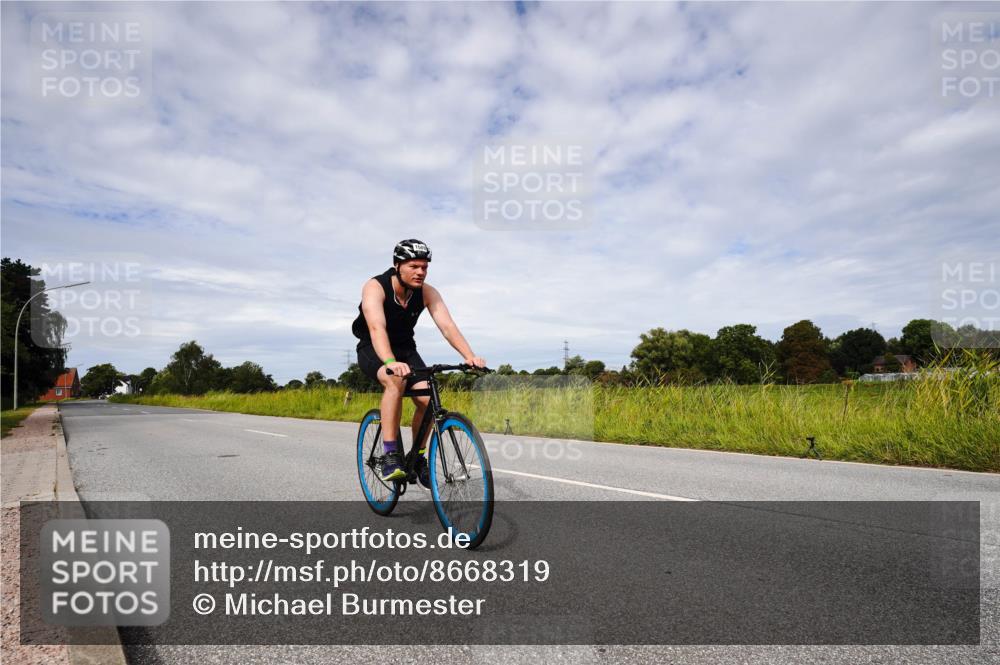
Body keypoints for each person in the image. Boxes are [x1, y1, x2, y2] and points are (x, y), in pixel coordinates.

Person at [351, 239, 486, 486]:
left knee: (426, 398)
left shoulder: (427, 292)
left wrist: (469, 356)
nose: (420, 272)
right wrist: (390, 361)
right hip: (374, 347)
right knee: (395, 378)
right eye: (414, 266)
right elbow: (376, 326)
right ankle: (391, 454)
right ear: (397, 265)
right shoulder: (375, 287)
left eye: (424, 267)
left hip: (406, 349)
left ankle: (418, 456)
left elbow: (447, 326)